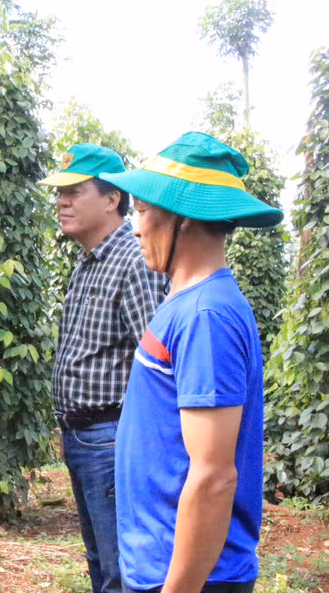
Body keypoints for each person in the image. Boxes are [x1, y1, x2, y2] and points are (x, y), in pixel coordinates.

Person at [99, 132, 284, 593]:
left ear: (181, 218)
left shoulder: (206, 317)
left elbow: (214, 476)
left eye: (141, 211)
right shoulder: (182, 302)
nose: (135, 227)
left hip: (193, 577)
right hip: (162, 564)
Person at [39, 144, 167, 593]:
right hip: (84, 436)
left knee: (121, 570)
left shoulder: (134, 262)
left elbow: (159, 366)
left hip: (112, 437)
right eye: (60, 193)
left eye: (74, 192)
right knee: (100, 561)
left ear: (112, 199)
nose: (61, 202)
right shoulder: (87, 263)